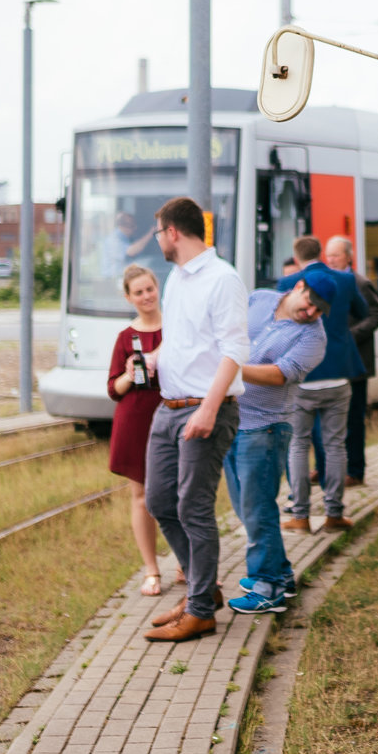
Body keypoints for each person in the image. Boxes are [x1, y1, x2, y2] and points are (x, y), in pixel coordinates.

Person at [142, 196, 248, 643]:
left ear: (172, 233)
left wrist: (208, 406)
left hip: (206, 411)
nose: (157, 241)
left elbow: (235, 349)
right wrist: (156, 357)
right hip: (167, 409)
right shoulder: (176, 278)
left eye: (157, 232)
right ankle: (203, 589)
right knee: (160, 502)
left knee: (194, 508)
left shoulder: (223, 280)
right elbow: (184, 337)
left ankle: (201, 608)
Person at [223, 278, 324, 615]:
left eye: (319, 310)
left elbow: (281, 375)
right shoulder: (259, 299)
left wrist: (230, 368)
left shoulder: (313, 337)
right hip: (232, 419)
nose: (310, 312)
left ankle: (267, 588)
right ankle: (280, 572)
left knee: (259, 508)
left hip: (266, 428)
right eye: (309, 302)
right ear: (298, 286)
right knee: (245, 506)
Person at [277, 235, 363, 531]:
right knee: (336, 445)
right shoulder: (345, 281)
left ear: (297, 256)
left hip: (302, 376)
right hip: (338, 374)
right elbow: (364, 314)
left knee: (299, 445)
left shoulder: (288, 282)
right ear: (322, 253)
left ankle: (300, 516)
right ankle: (334, 514)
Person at [102, 263, 168, 598]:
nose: (146, 296)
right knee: (141, 497)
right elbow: (114, 388)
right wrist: (129, 373)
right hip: (135, 420)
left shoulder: (176, 327)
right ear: (129, 298)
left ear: (158, 288)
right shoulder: (125, 338)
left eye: (150, 289)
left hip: (172, 414)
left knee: (181, 495)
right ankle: (152, 570)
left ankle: (188, 565)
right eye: (138, 292)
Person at [323, 234, 378, 484]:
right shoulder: (326, 281)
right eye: (328, 255)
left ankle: (355, 472)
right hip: (333, 363)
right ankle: (331, 468)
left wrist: (351, 335)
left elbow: (377, 315)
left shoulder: (360, 282)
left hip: (356, 363)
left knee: (353, 419)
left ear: (349, 256)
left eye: (336, 255)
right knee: (330, 420)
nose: (331, 260)